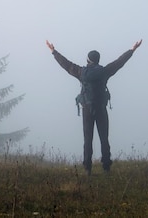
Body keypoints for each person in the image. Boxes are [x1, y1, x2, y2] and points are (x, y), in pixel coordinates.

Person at [45, 38, 142, 174]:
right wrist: (132, 49)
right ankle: (106, 167)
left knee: (87, 139)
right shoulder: (105, 72)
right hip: (101, 108)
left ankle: (87, 168)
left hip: (87, 109)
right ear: (98, 60)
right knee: (104, 138)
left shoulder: (81, 72)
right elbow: (119, 63)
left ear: (88, 60)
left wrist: (53, 51)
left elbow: (66, 65)